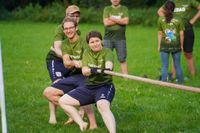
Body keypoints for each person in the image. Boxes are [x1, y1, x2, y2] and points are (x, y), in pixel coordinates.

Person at [44, 18, 97, 129]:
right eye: (66, 29)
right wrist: (74, 62)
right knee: (48, 92)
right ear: (63, 30)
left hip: (85, 76)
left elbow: (91, 60)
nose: (68, 31)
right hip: (73, 77)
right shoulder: (64, 44)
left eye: (71, 28)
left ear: (76, 28)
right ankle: (78, 118)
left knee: (84, 93)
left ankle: (93, 125)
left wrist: (83, 63)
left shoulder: (84, 42)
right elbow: (67, 63)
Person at [59, 31, 116, 133]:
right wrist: (93, 70)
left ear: (101, 41)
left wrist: (105, 69)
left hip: (104, 86)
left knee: (102, 106)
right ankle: (81, 123)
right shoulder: (86, 53)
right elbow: (85, 72)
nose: (95, 44)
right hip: (89, 87)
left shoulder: (107, 52)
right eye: (92, 42)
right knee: (63, 101)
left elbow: (109, 66)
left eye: (97, 41)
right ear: (88, 44)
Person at [45, 5, 81, 124]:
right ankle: (54, 116)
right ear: (66, 16)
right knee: (56, 85)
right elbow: (58, 49)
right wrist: (70, 59)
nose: (75, 18)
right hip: (56, 59)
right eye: (72, 15)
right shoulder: (60, 29)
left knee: (74, 85)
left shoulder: (77, 31)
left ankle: (74, 112)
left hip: (70, 61)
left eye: (77, 16)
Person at [158, 0, 200, 77]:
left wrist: (193, 21)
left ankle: (193, 75)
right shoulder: (171, 1)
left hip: (187, 30)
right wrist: (168, 22)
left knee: (188, 53)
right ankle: (174, 76)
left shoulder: (190, 1)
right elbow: (160, 11)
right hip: (174, 32)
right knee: (175, 52)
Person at [158, 0, 184, 84]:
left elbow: (160, 33)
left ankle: (163, 83)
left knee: (164, 66)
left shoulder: (160, 19)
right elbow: (181, 34)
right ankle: (180, 83)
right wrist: (182, 46)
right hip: (176, 44)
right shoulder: (178, 19)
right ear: (174, 9)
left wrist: (159, 46)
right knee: (178, 65)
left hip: (164, 44)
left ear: (164, 9)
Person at [103, 0, 129, 74]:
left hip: (120, 39)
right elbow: (106, 23)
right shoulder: (107, 9)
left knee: (122, 59)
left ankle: (126, 78)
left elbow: (126, 21)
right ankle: (107, 77)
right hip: (108, 38)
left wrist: (112, 18)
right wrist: (120, 20)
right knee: (107, 58)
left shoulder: (124, 8)